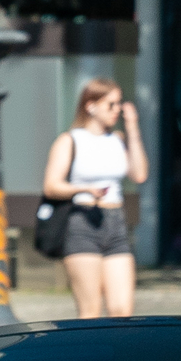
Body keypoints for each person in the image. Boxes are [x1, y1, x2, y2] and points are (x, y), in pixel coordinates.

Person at [41, 78, 147, 318]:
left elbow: (139, 174)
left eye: (119, 104)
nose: (117, 110)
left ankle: (118, 356)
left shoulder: (117, 140)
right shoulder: (70, 140)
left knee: (122, 311)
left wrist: (132, 128)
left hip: (116, 222)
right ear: (91, 106)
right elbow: (51, 186)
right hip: (83, 222)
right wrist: (84, 189)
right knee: (90, 312)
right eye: (111, 104)